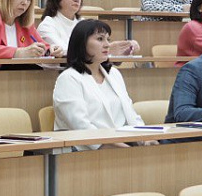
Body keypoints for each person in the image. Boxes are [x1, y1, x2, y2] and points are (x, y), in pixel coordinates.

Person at [54, 19, 155, 149]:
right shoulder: (68, 79)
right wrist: (120, 148)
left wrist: (145, 139)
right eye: (100, 39)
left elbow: (131, 114)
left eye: (108, 39)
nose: (107, 45)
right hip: (83, 153)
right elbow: (81, 127)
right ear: (82, 43)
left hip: (120, 145)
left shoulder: (114, 74)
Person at [36, 0, 139, 58]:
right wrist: (105, 49)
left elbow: (96, 46)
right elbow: (63, 52)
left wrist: (125, 47)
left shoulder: (83, 23)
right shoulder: (47, 25)